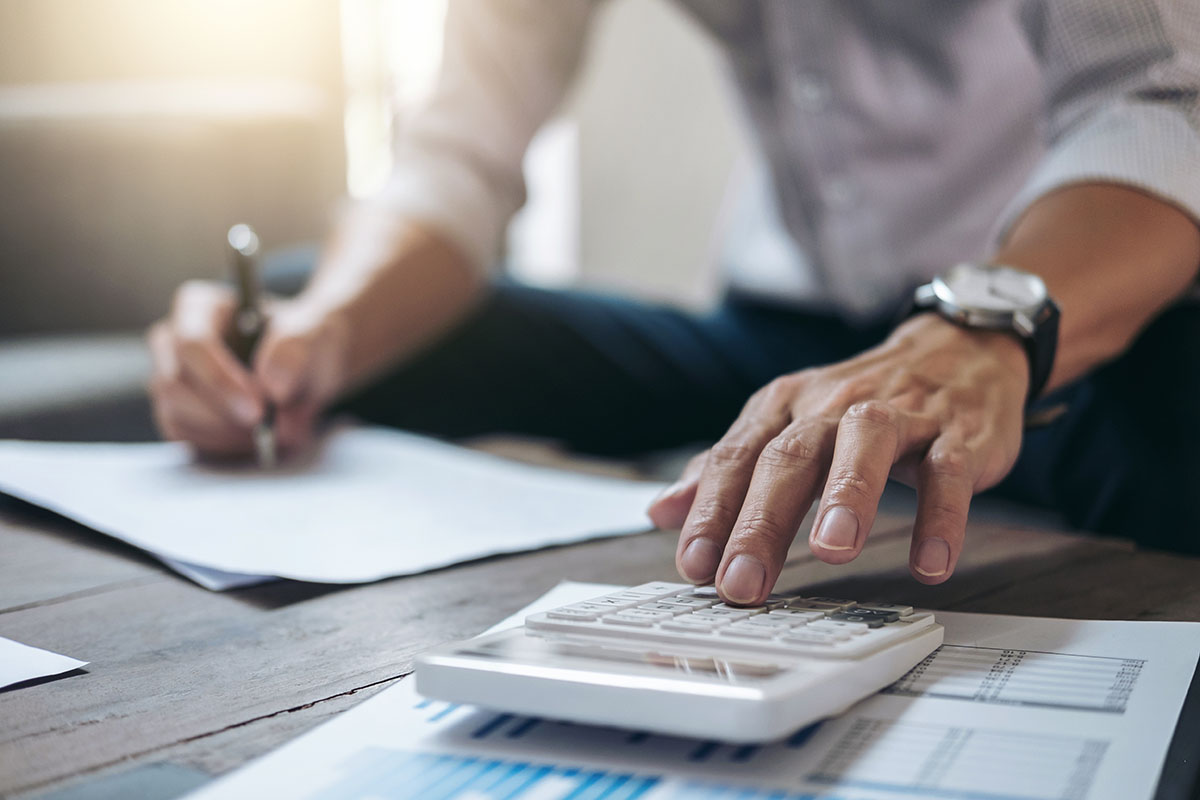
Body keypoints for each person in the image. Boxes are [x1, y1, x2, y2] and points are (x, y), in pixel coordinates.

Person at [147, 1, 1200, 605]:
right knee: (297, 297)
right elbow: (457, 156)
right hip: (776, 333)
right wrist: (325, 329)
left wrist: (982, 328)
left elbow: (1157, 100)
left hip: (1042, 322)